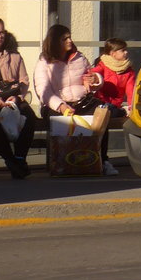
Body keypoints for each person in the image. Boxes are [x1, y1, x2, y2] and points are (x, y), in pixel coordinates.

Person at [36, 24, 116, 176]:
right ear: (54, 42)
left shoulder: (79, 57)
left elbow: (92, 78)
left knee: (102, 113)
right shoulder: (44, 62)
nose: (70, 41)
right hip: (56, 104)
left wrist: (95, 80)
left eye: (70, 37)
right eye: (64, 38)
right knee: (62, 122)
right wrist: (61, 106)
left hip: (81, 101)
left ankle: (102, 159)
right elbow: (43, 91)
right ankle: (63, 161)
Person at [0, 16, 38, 178]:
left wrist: (18, 97)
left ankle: (20, 157)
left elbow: (24, 81)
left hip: (11, 98)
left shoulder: (14, 56)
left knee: (29, 116)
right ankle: (10, 159)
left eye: (2, 32)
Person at [88, 37, 136, 119]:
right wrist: (93, 77)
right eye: (123, 50)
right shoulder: (103, 64)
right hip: (101, 102)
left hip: (115, 105)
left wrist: (131, 105)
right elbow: (94, 72)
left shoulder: (128, 70)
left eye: (126, 49)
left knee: (113, 113)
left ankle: (121, 112)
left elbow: (130, 90)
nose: (126, 52)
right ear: (113, 53)